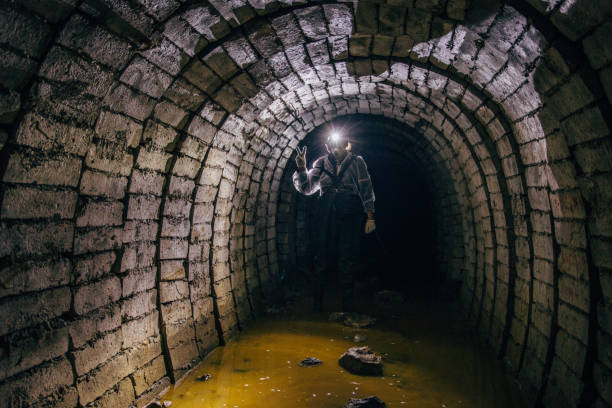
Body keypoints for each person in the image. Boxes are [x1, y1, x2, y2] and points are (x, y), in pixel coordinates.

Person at [293, 131, 376, 311]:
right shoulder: (321, 163)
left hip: (350, 211)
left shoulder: (356, 162)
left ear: (346, 144)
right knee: (321, 255)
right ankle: (317, 303)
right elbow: (307, 188)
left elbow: (365, 188)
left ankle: (347, 303)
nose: (336, 149)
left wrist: (370, 216)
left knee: (348, 255)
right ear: (328, 147)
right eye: (333, 146)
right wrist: (301, 168)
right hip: (326, 211)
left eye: (339, 145)